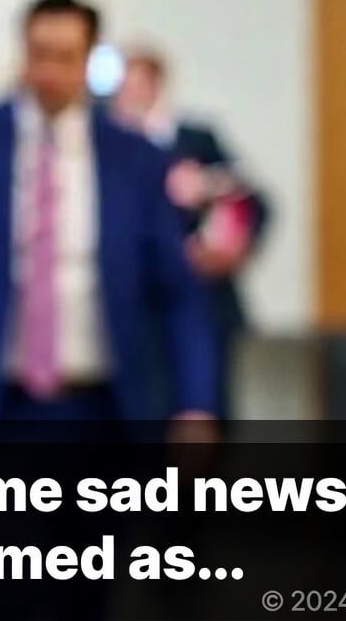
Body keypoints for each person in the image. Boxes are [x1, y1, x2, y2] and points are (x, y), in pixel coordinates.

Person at [0, 0, 218, 432]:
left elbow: (177, 291)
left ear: (89, 60)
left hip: (106, 408)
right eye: (39, 54)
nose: (49, 72)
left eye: (65, 57)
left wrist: (196, 404)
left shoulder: (135, 158)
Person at [112, 46, 269, 418]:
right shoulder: (107, 148)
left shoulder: (196, 139)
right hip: (138, 306)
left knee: (208, 407)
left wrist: (227, 247)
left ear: (157, 85)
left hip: (205, 295)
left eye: (139, 84)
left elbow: (251, 201)